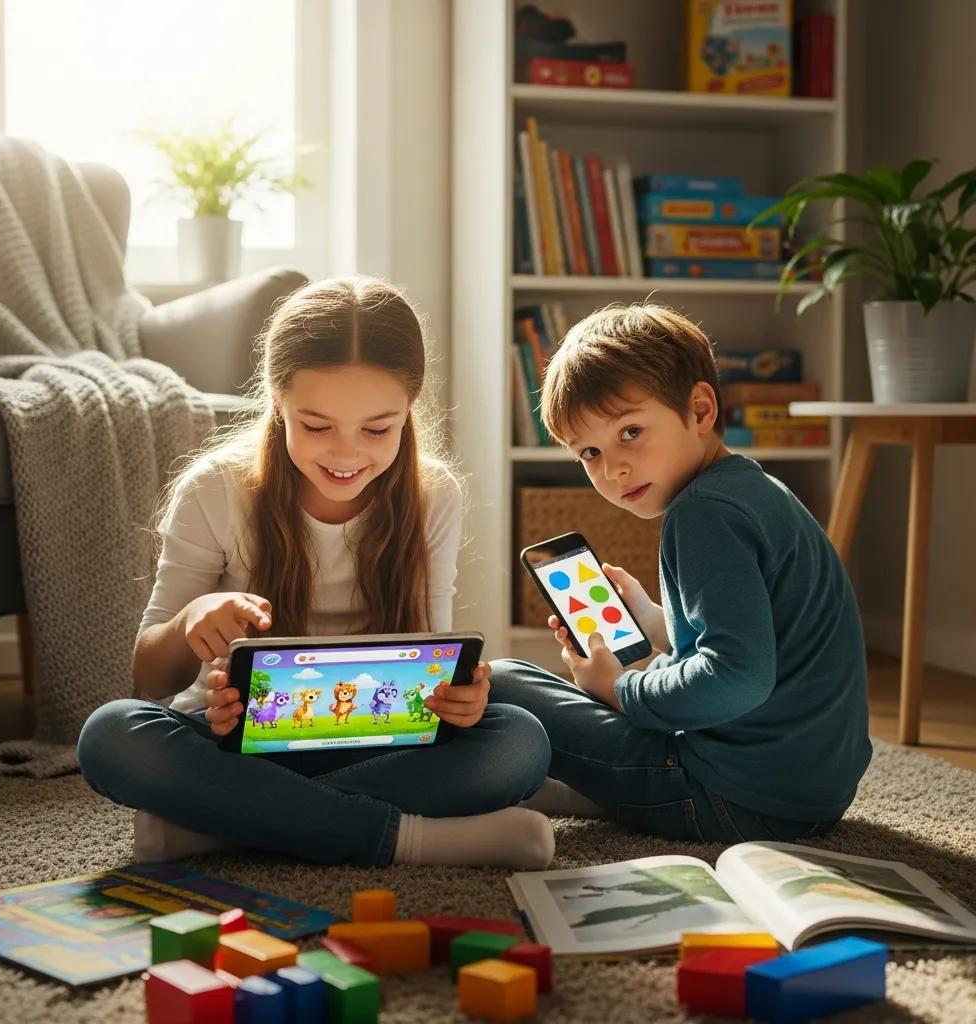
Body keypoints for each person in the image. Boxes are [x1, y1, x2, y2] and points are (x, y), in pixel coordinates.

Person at [78, 277, 553, 869]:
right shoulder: (216, 488)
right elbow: (150, 678)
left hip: (376, 739)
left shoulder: (433, 495)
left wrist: (459, 699)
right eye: (317, 425)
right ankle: (414, 839)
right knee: (111, 734)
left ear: (411, 405)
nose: (346, 454)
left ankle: (228, 823)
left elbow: (428, 653)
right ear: (277, 402)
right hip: (233, 741)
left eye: (377, 429)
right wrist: (190, 623)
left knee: (520, 742)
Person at [492, 303, 872, 843]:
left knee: (506, 681)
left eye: (630, 432)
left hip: (736, 798)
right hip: (811, 793)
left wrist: (622, 688)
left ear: (699, 409)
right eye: (590, 452)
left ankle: (602, 786)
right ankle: (603, 783)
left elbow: (737, 676)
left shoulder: (702, 514)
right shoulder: (753, 490)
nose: (612, 468)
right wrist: (654, 620)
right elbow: (754, 636)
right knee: (554, 687)